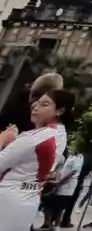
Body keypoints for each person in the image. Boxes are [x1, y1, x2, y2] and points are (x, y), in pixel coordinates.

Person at [0, 88, 75, 231]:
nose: (36, 107)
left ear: (59, 111)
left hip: (8, 198)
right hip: (28, 198)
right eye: (37, 103)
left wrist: (2, 139)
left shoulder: (34, 137)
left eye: (45, 104)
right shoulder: (59, 134)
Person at [43, 150, 84, 230]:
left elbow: (74, 171)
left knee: (59, 208)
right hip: (60, 184)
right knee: (53, 205)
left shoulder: (79, 157)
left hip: (67, 185)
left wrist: (60, 181)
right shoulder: (70, 156)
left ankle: (56, 227)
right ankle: (51, 226)